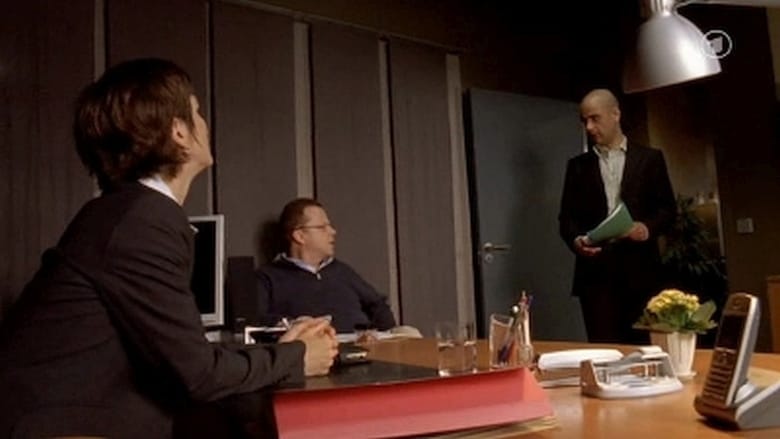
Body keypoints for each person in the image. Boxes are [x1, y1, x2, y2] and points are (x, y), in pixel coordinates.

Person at [0, 58, 337, 438]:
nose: (204, 124)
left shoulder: (124, 213)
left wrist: (284, 352)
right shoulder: (142, 220)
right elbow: (199, 374)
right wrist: (297, 356)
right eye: (197, 112)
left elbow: (184, 357)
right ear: (179, 132)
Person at [558, 88, 676, 344]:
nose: (589, 127)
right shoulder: (577, 166)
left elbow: (668, 211)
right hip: (595, 277)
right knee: (603, 350)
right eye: (584, 121)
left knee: (644, 350)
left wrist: (645, 228)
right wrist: (576, 241)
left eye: (595, 118)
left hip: (641, 273)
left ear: (615, 114)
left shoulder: (650, 159)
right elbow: (566, 219)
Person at [256, 198, 398, 334]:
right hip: (313, 347)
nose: (333, 232)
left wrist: (387, 336)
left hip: (360, 345)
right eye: (322, 227)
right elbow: (257, 319)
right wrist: (293, 324)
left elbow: (379, 306)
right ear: (300, 236)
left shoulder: (341, 271)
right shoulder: (268, 277)